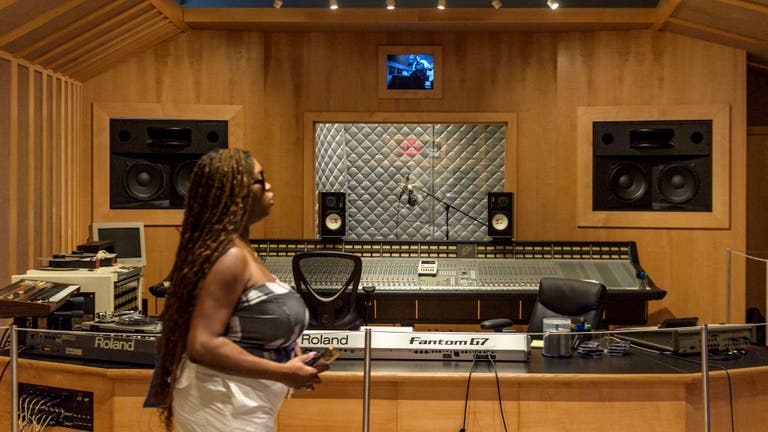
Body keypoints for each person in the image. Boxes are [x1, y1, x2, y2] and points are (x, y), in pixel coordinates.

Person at [149, 148, 324, 432]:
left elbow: (247, 326)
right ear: (234, 193)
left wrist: (287, 351)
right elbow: (203, 345)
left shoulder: (241, 250)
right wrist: (282, 372)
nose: (269, 186)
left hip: (239, 403)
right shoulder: (229, 257)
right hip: (222, 404)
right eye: (260, 180)